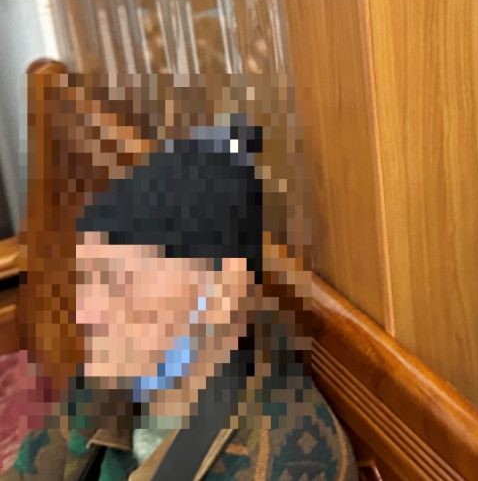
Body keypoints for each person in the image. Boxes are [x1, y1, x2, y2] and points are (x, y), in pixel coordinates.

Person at [4, 120, 356, 481]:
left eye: (118, 284)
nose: (85, 312)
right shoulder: (123, 363)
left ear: (223, 293)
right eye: (87, 280)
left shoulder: (287, 464)